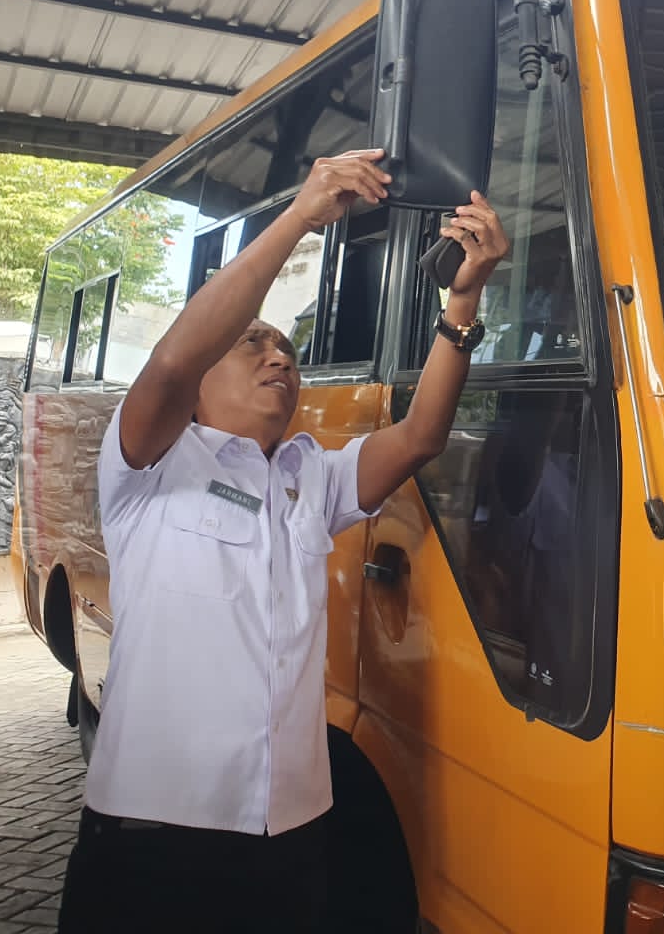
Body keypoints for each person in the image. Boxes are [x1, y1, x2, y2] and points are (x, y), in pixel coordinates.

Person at [57, 149, 507, 933]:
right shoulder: (148, 463)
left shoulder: (308, 478)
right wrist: (301, 216)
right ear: (200, 381)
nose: (279, 358)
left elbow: (421, 436)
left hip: (289, 842)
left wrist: (463, 301)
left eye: (288, 352)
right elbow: (173, 359)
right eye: (251, 344)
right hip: (154, 843)